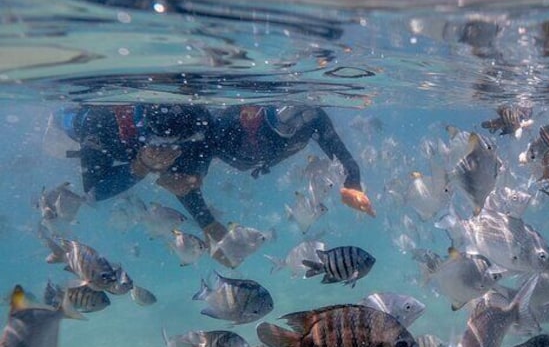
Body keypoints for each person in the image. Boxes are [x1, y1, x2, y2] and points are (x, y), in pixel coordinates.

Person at [209, 104, 375, 226]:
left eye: (255, 113)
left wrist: (353, 181)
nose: (251, 116)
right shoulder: (222, 127)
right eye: (247, 114)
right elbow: (199, 143)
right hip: (238, 155)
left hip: (257, 160)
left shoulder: (298, 119)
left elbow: (329, 137)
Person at [61, 103, 217, 230]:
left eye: (177, 141)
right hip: (71, 127)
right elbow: (92, 191)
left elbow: (206, 144)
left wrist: (195, 174)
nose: (164, 149)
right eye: (155, 140)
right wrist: (140, 166)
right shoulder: (100, 122)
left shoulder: (198, 118)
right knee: (61, 135)